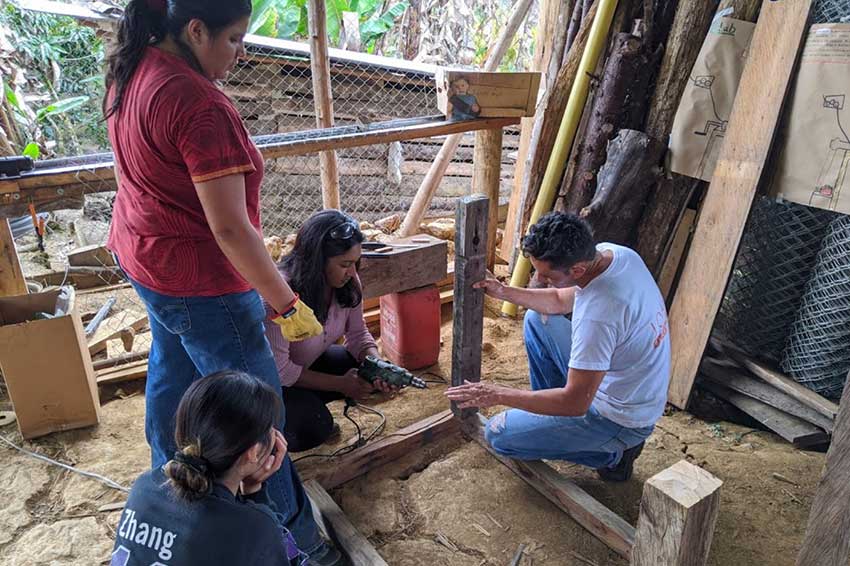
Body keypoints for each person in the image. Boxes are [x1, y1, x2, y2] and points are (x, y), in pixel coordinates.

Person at [102, 1, 335, 562]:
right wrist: (285, 302)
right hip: (202, 280)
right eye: (233, 39)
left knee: (172, 376)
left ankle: (174, 494)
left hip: (147, 258)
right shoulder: (200, 104)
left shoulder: (133, 67)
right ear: (195, 28)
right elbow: (231, 229)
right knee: (260, 421)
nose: (240, 52)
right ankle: (295, 540)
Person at [446, 212, 671, 481]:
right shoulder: (615, 255)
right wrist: (504, 292)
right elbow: (558, 300)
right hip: (628, 382)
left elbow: (575, 402)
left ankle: (613, 455)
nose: (541, 280)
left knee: (499, 434)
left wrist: (497, 394)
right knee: (537, 320)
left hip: (622, 417)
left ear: (576, 270)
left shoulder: (599, 315)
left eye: (547, 275)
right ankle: (555, 426)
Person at [111, 371, 304, 566]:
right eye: (271, 428)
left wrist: (252, 489)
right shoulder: (252, 527)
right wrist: (256, 496)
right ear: (253, 452)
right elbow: (289, 557)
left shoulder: (145, 486)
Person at [263, 210, 395, 453]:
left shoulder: (348, 283)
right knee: (314, 427)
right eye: (344, 264)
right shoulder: (281, 294)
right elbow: (280, 372)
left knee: (365, 373)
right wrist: (341, 385)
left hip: (307, 363)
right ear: (317, 260)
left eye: (355, 263)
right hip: (273, 383)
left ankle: (313, 402)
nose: (353, 273)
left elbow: (358, 334)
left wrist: (377, 364)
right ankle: (280, 425)